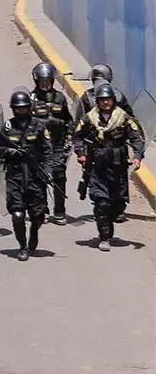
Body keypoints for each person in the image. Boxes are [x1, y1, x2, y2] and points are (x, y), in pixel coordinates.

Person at [73, 83, 146, 251]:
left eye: (108, 99)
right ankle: (104, 237)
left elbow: (136, 138)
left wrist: (137, 157)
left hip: (118, 168)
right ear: (97, 101)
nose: (106, 103)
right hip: (97, 168)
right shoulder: (90, 119)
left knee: (118, 205)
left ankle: (110, 222)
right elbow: (78, 137)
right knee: (101, 203)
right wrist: (81, 154)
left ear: (113, 100)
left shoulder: (124, 118)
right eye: (102, 100)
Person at [0, 90, 53, 261]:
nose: (21, 111)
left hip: (36, 175)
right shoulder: (7, 127)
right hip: (15, 175)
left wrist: (48, 172)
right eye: (18, 109)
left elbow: (48, 152)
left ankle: (34, 234)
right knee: (18, 214)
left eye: (24, 108)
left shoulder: (39, 126)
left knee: (38, 215)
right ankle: (22, 246)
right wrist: (10, 152)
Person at [30, 63, 75, 225]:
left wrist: (69, 139)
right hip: (39, 146)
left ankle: (59, 211)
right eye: (41, 81)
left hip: (57, 144)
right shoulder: (31, 98)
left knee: (59, 176)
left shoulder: (60, 98)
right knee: (39, 177)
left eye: (47, 80)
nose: (44, 84)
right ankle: (41, 209)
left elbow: (69, 120)